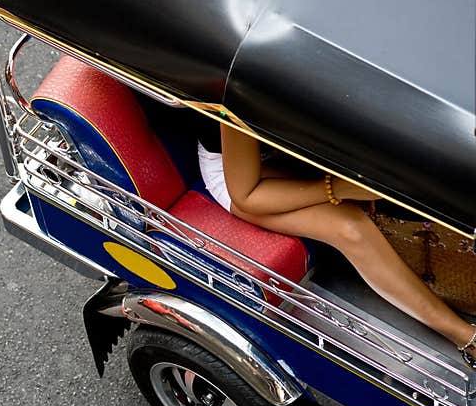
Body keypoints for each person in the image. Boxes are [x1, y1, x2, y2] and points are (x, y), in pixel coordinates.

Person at [196, 119, 476, 368]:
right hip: (247, 179)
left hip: (296, 153)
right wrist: (337, 189)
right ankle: (463, 336)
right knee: (350, 228)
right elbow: (248, 196)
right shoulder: (242, 92)